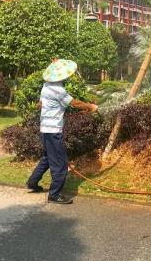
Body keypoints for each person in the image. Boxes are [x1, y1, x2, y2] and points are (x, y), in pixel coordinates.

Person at [26, 59, 98, 204]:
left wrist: (54, 109)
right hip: (53, 130)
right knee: (60, 163)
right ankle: (54, 195)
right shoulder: (59, 90)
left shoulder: (46, 86)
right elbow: (75, 103)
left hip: (45, 129)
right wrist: (91, 107)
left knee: (48, 157)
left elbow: (40, 104)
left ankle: (32, 182)